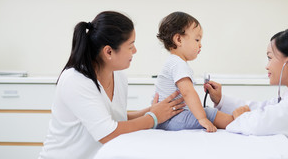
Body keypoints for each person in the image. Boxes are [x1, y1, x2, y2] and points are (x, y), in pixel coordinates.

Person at [39, 11, 184, 159]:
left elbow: (113, 118)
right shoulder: (76, 80)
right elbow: (108, 133)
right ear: (108, 51)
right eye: (130, 46)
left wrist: (150, 111)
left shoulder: (118, 75)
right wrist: (153, 117)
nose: (135, 51)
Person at [205, 28, 288, 158]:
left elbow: (258, 123)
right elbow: (262, 108)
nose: (267, 66)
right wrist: (220, 99)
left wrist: (241, 117)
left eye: (270, 57)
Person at [154, 11, 235, 132]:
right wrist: (202, 118)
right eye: (197, 40)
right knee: (208, 113)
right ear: (178, 39)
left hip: (165, 119)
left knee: (204, 111)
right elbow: (187, 92)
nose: (200, 45)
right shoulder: (178, 64)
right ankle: (239, 122)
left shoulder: (174, 62)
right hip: (172, 119)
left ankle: (237, 120)